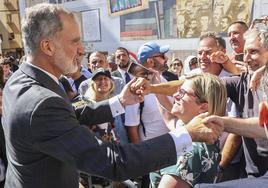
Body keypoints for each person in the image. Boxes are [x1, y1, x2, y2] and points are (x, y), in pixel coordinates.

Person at [2, 4, 222, 188]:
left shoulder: (23, 80)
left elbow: (69, 114)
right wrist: (186, 134)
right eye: (75, 41)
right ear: (48, 46)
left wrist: (121, 102)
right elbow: (114, 162)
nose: (81, 50)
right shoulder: (41, 101)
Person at [149, 73, 227, 188]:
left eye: (182, 93)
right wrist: (154, 88)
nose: (175, 95)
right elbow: (169, 119)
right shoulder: (197, 134)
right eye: (178, 90)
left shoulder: (189, 150)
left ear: (203, 106)